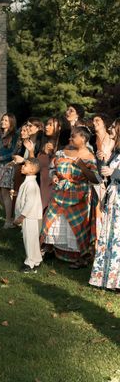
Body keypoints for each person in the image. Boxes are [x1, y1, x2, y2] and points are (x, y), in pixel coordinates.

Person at [41, 126, 98, 268]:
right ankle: (50, 249)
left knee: (77, 226)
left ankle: (81, 257)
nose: (70, 138)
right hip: (60, 193)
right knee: (51, 220)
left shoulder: (90, 156)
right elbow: (52, 168)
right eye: (71, 135)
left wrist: (82, 166)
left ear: (83, 139)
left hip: (79, 196)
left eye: (73, 136)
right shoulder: (61, 152)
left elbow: (96, 179)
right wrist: (54, 176)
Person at [90, 119, 120, 289]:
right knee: (110, 237)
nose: (110, 130)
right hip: (113, 199)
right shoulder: (116, 152)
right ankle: (109, 279)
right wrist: (102, 161)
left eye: (113, 127)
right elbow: (105, 175)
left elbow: (114, 173)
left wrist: (114, 172)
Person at [14, 158, 44, 273]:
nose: (22, 167)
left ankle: (30, 264)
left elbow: (30, 202)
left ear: (32, 170)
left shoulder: (31, 184)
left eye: (25, 165)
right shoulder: (28, 182)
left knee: (30, 240)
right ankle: (36, 260)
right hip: (31, 217)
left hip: (30, 217)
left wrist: (22, 216)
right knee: (32, 240)